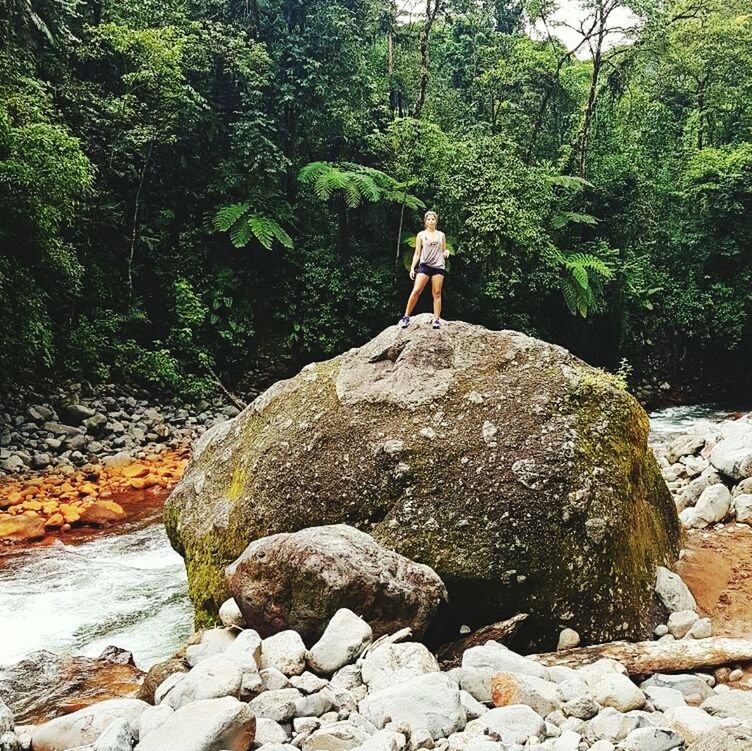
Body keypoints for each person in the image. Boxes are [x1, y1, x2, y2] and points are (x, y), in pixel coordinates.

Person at [398, 210, 448, 330]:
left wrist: (446, 253)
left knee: (436, 293)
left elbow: (444, 250)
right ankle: (406, 316)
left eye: (433, 219)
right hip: (425, 265)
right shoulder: (421, 235)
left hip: (438, 266)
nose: (431, 221)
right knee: (416, 291)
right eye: (429, 219)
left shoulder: (441, 235)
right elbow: (417, 253)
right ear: (425, 222)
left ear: (436, 221)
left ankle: (436, 320)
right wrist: (412, 268)